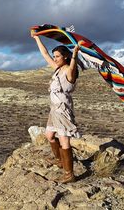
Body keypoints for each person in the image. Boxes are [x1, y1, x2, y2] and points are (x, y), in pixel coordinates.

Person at [31, 32, 80, 184]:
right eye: (55, 56)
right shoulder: (57, 69)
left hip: (63, 110)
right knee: (49, 135)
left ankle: (69, 174)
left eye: (57, 56)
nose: (55, 58)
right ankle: (60, 161)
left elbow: (72, 69)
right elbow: (45, 54)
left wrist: (75, 54)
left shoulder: (68, 71)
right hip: (54, 109)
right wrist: (37, 37)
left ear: (65, 56)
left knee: (64, 140)